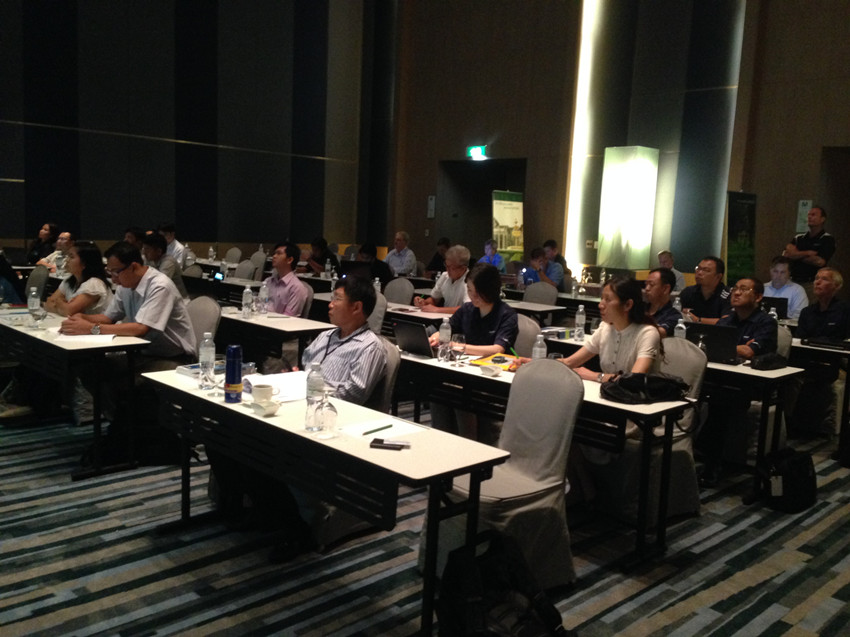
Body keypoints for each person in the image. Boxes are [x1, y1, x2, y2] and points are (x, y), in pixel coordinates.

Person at [209, 276, 387, 561]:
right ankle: (253, 509)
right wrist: (293, 378)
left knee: (260, 449)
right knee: (220, 434)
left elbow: (354, 394)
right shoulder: (327, 335)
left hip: (328, 421)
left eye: (337, 299)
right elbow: (303, 367)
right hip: (295, 406)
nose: (330, 305)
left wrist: (311, 386)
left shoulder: (370, 347)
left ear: (357, 307)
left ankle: (295, 531)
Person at [59, 242, 195, 463]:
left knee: (119, 380)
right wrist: (83, 318)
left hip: (174, 359)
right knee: (88, 368)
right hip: (143, 353)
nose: (113, 279)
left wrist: (91, 328)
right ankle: (122, 425)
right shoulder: (126, 284)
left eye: (116, 272)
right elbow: (108, 318)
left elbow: (141, 328)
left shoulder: (159, 286)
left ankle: (131, 431)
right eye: (110, 272)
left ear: (133, 266)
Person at [697, 277, 777, 487]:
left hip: (752, 383)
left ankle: (711, 464)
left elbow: (750, 352)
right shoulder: (727, 320)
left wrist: (729, 348)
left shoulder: (766, 322)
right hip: (724, 377)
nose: (736, 293)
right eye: (735, 289)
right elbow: (710, 347)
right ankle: (696, 448)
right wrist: (735, 348)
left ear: (758, 297)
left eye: (744, 289)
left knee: (720, 402)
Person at [427, 264, 518, 442]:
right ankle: (442, 439)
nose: (472, 296)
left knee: (461, 395)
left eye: (477, 292)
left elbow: (497, 349)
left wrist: (460, 346)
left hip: (492, 376)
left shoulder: (507, 315)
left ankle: (467, 442)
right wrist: (436, 337)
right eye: (469, 290)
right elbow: (447, 327)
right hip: (466, 370)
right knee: (438, 392)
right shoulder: (467, 310)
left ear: (489, 290)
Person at [554, 276, 660, 382]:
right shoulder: (605, 328)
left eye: (608, 300)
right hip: (608, 390)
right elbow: (569, 362)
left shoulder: (647, 333)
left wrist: (595, 376)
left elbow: (634, 379)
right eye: (602, 299)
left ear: (627, 305)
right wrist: (547, 364)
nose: (600, 305)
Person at [787, 267, 850, 439]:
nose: (817, 282)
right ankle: (790, 424)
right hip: (808, 359)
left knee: (818, 378)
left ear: (836, 286)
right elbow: (800, 338)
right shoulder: (808, 312)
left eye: (824, 279)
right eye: (816, 278)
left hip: (834, 361)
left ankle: (811, 429)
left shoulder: (844, 310)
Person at [44, 242, 113, 316]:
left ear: (84, 263)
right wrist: (63, 305)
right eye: (67, 256)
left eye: (71, 257)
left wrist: (58, 301)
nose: (67, 260)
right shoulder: (69, 281)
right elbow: (48, 304)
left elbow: (69, 311)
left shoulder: (94, 283)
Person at [783, 205, 834, 297]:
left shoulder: (827, 239)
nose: (810, 217)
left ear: (822, 219)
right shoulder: (799, 238)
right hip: (793, 281)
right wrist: (807, 253)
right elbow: (786, 254)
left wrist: (796, 255)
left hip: (811, 283)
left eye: (813, 215)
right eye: (809, 215)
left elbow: (819, 262)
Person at [414, 244, 471, 314]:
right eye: (446, 265)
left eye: (452, 268)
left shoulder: (470, 281)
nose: (448, 270)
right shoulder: (445, 276)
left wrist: (438, 310)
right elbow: (434, 299)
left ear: (463, 268)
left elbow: (467, 308)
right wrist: (424, 302)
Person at [679, 256, 730, 325]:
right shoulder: (688, 292)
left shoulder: (727, 295)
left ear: (718, 276)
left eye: (706, 270)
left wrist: (697, 320)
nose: (699, 273)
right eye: (698, 268)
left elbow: (727, 321)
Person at [264, 241, 309, 317]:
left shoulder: (297, 287)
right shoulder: (268, 281)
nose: (274, 256)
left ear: (289, 260)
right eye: (274, 253)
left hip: (278, 323)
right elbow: (259, 305)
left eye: (279, 253)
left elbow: (288, 318)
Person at [141, 232, 188, 298]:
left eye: (147, 249)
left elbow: (159, 284)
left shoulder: (169, 262)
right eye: (143, 248)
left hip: (178, 299)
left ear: (159, 251)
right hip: (163, 296)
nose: (144, 252)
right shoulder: (149, 259)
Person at [644, 267, 683, 337]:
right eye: (646, 284)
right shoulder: (640, 308)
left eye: (651, 285)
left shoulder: (674, 316)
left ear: (665, 289)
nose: (646, 288)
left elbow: (658, 333)